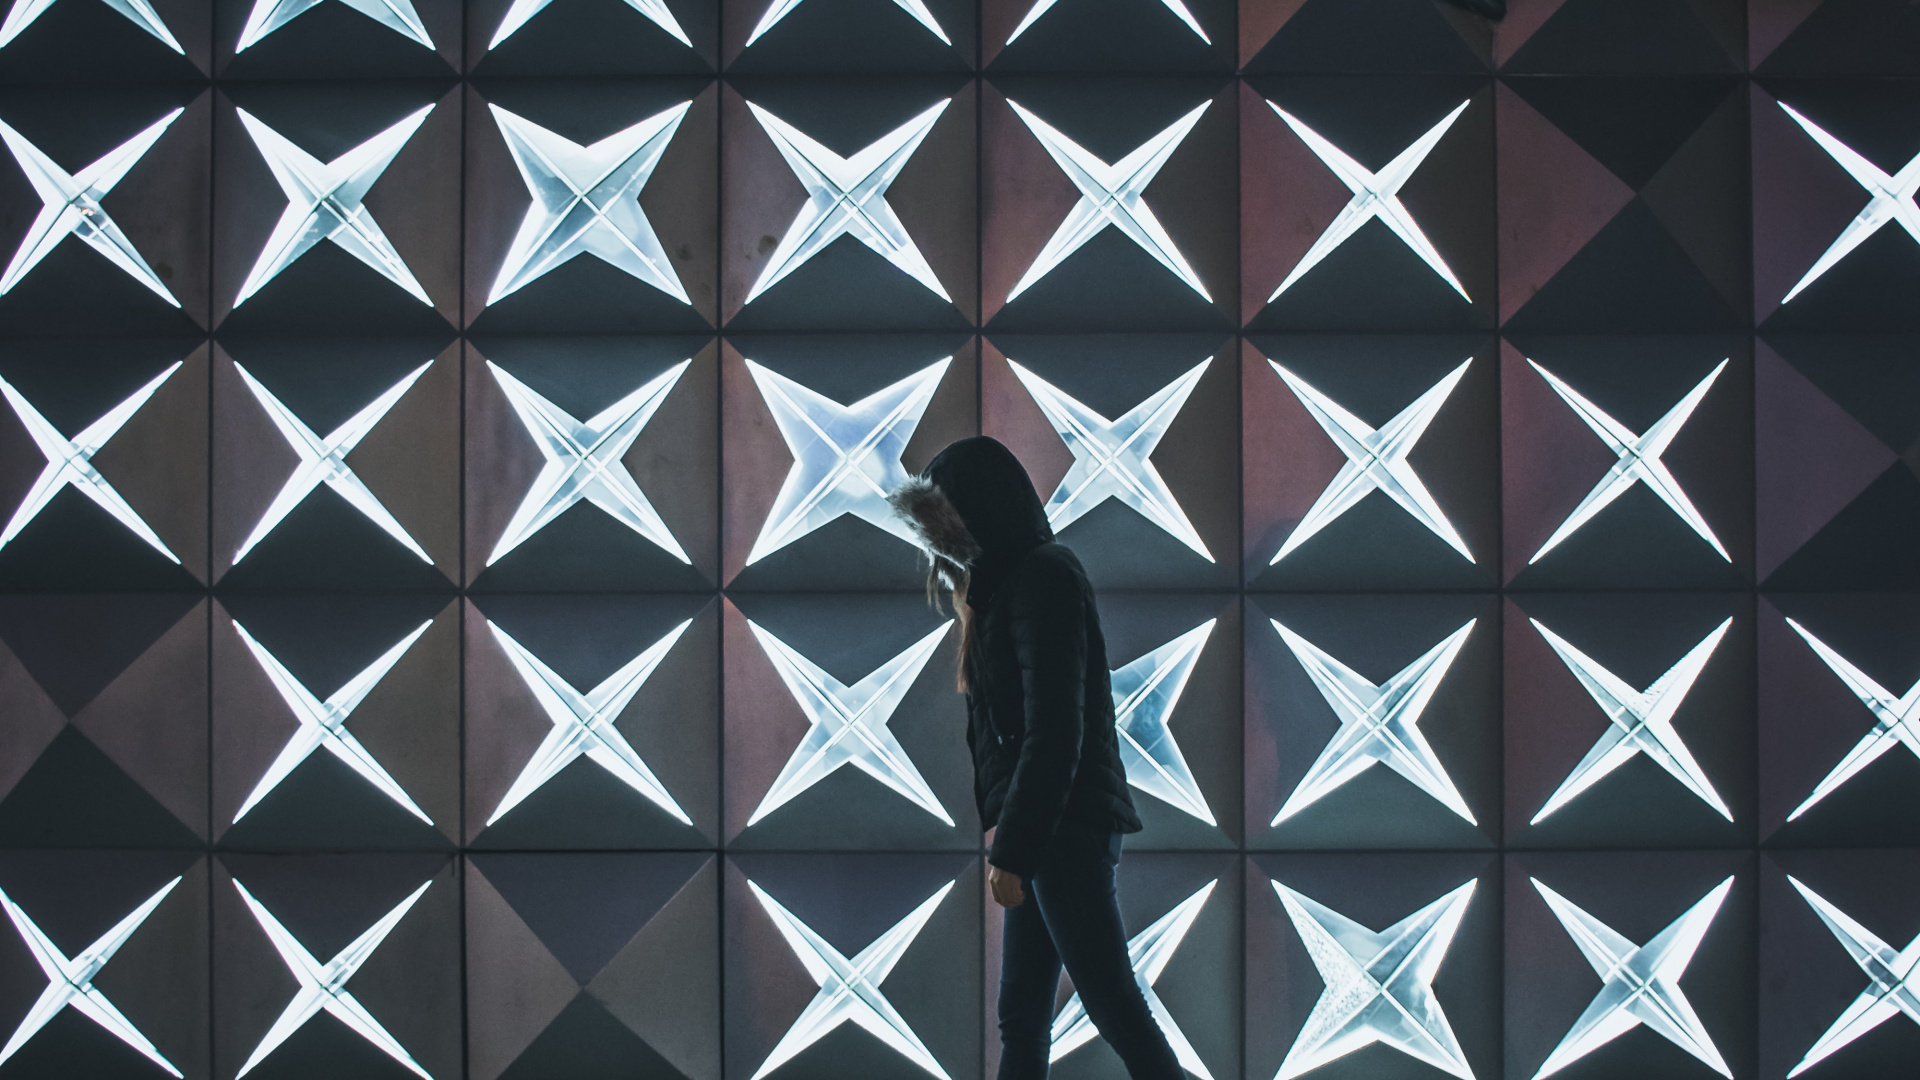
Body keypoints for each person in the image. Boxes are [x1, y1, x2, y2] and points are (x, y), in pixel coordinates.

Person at [889, 436, 1183, 1080]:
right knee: (1024, 1017)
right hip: (1051, 828)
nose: (944, 546)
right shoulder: (1006, 587)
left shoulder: (1042, 576)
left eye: (948, 523)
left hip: (1062, 828)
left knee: (1111, 1005)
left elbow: (1054, 731)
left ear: (983, 509)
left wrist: (1015, 850)